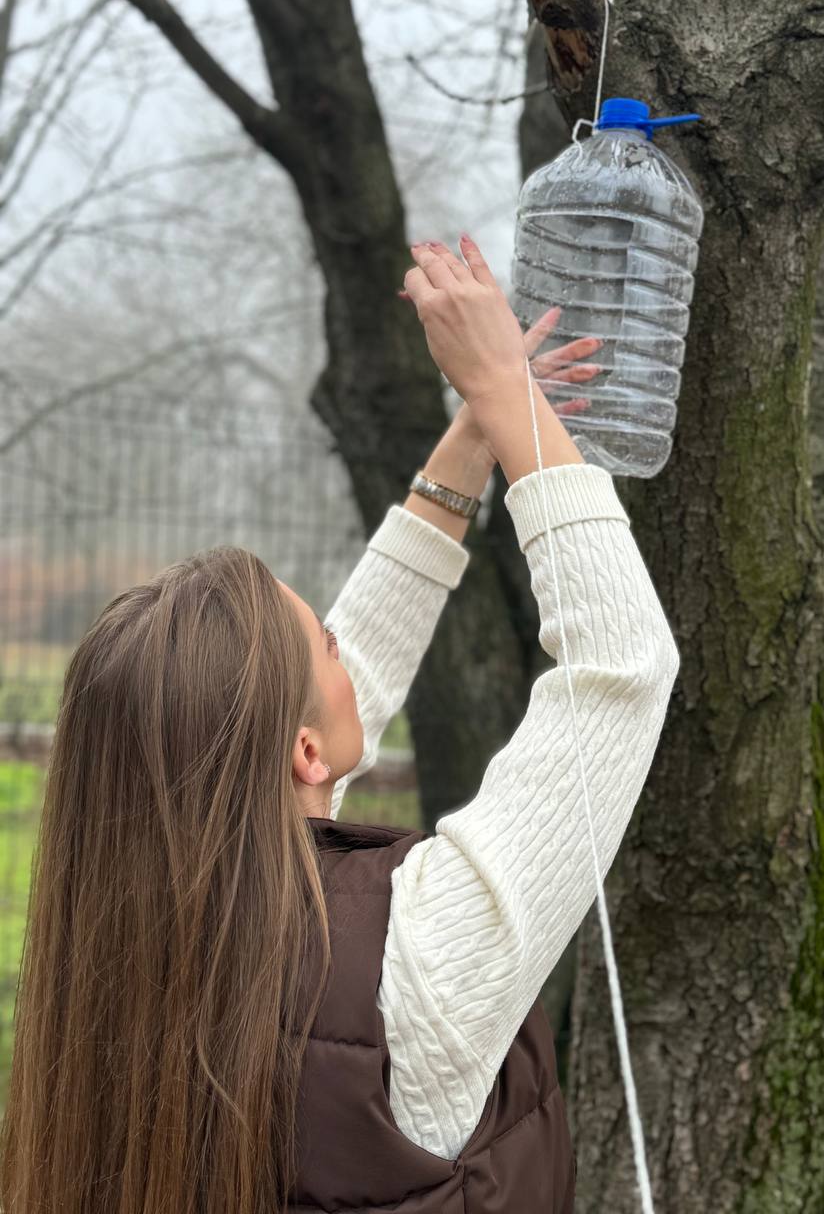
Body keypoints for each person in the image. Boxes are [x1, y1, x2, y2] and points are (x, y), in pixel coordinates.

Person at [0, 236, 680, 1214]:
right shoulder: (419, 953)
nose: (344, 646)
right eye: (322, 640)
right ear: (304, 751)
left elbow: (319, 695)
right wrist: (505, 392)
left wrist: (474, 437)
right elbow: (622, 665)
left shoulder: (117, 948)